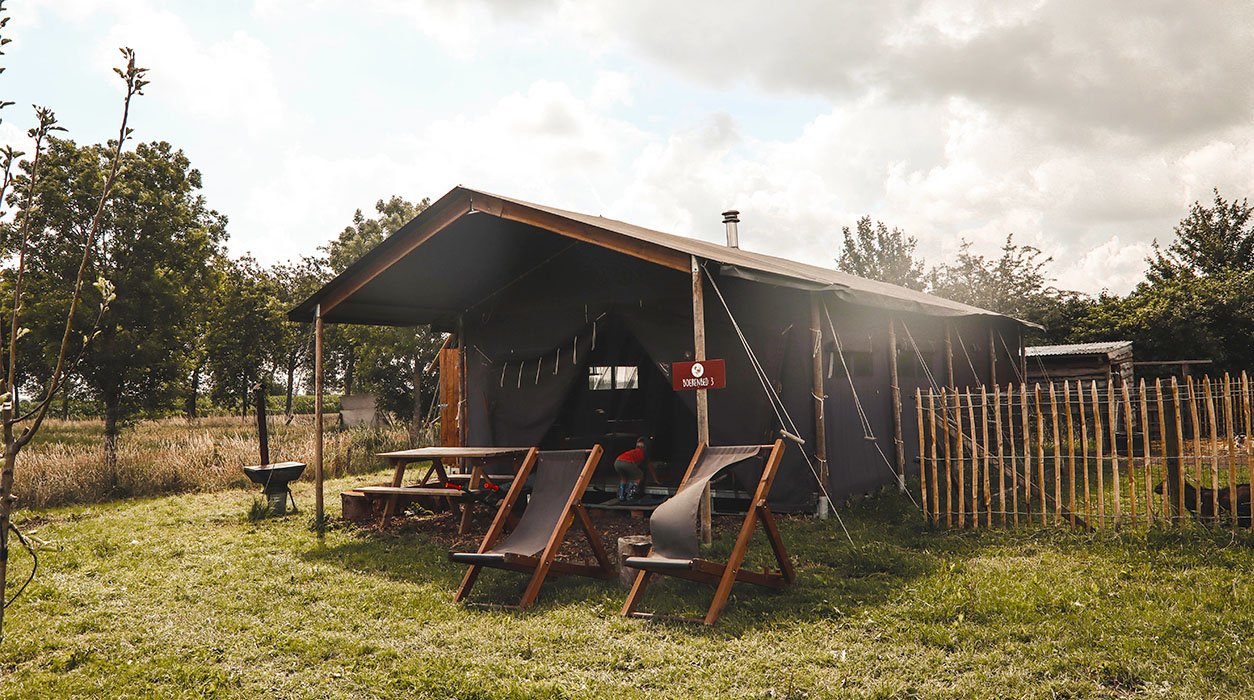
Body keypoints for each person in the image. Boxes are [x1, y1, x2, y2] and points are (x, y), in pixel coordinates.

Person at [614, 437, 648, 503]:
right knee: (639, 476)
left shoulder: (632, 451)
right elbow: (638, 464)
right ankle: (631, 496)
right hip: (627, 462)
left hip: (617, 461)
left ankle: (621, 496)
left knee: (623, 477)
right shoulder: (642, 453)